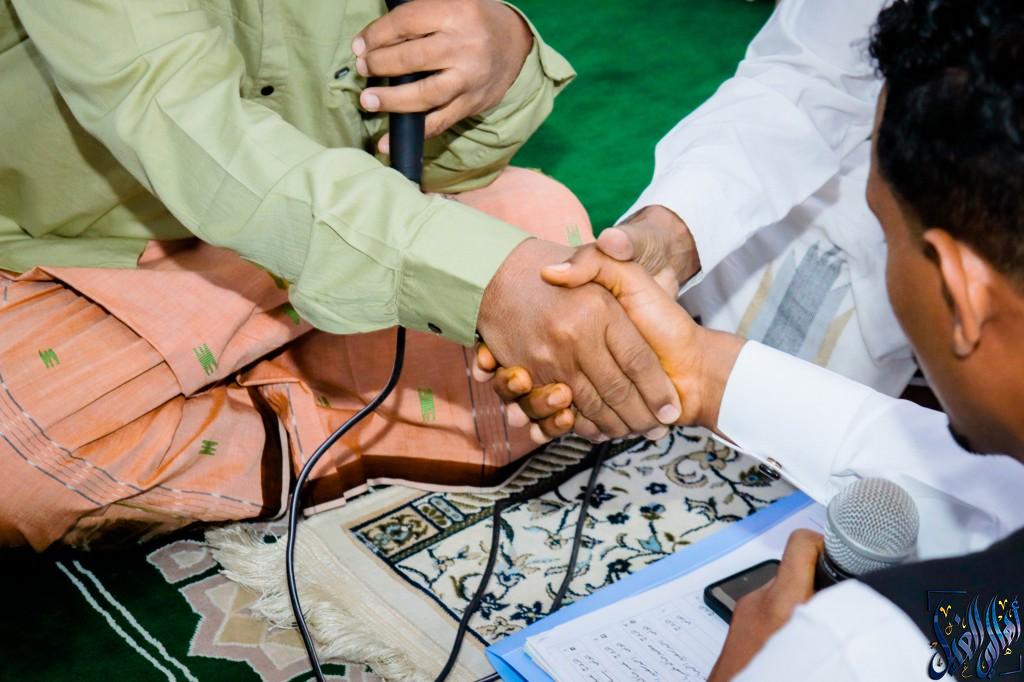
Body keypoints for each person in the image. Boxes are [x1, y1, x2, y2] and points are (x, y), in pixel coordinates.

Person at [0, 0, 682, 549]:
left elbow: (428, 161)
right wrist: (486, 281)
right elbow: (178, 122)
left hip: (348, 218)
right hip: (90, 252)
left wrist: (502, 54)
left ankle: (263, 379)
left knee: (546, 228)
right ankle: (361, 399)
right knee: (12, 468)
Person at [493, 0, 1024, 677]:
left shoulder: (856, 648)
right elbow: (997, 486)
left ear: (961, 287)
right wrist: (700, 372)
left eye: (887, 233)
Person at [476, 0, 920, 444]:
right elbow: (812, 73)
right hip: (841, 211)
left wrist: (708, 379)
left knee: (808, 442)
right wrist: (671, 236)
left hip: (884, 236)